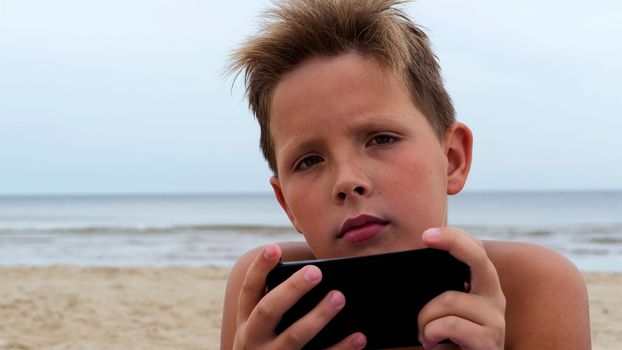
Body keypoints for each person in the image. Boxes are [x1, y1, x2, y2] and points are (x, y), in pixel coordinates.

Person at [220, 0, 591, 349]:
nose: (347, 181)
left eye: (381, 138)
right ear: (287, 204)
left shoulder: (532, 288)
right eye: (308, 161)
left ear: (452, 159)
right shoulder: (264, 296)